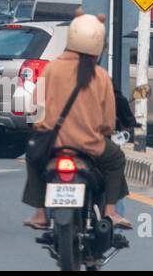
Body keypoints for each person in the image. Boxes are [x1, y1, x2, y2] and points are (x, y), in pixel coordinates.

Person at [22, 14, 131, 230]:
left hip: (52, 145)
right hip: (90, 146)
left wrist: (42, 128)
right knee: (117, 159)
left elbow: (34, 109)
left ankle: (40, 213)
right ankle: (111, 211)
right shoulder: (100, 76)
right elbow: (109, 122)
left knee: (32, 157)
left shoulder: (52, 68)